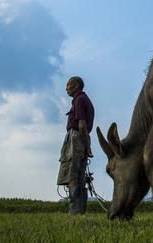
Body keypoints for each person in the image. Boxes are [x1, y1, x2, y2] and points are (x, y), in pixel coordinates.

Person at [57, 76, 95, 215]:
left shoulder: (79, 100)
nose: (66, 88)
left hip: (76, 137)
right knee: (79, 177)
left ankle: (74, 212)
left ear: (77, 86)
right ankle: (79, 212)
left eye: (69, 85)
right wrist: (87, 145)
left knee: (72, 176)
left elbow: (82, 125)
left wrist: (88, 146)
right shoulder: (83, 99)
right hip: (82, 139)